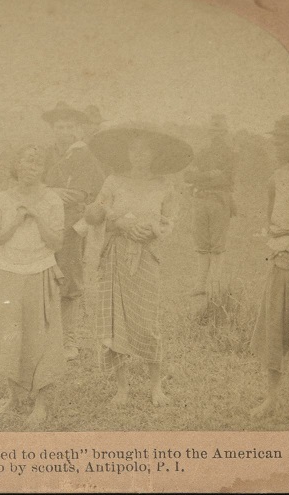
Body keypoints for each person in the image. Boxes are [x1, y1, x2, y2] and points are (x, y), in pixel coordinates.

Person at [86, 124, 192, 407]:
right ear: (128, 153)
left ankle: (156, 386)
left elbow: (169, 219)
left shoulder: (164, 185)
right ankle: (122, 389)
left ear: (154, 154)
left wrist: (153, 231)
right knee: (116, 320)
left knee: (146, 321)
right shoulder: (113, 181)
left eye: (145, 150)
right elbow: (96, 214)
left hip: (146, 256)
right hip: (116, 255)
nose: (139, 155)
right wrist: (117, 222)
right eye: (134, 149)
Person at [0, 144, 66, 426]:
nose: (31, 168)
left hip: (42, 271)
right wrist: (15, 222)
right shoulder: (1, 200)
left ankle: (41, 404)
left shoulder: (53, 200)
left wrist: (39, 216)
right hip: (10, 273)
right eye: (25, 161)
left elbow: (57, 243)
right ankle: (13, 397)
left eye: (37, 163)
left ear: (44, 169)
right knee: (11, 335)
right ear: (15, 166)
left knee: (42, 337)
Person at [41, 101, 105, 361]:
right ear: (52, 129)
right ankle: (46, 336)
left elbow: (82, 192)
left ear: (78, 129)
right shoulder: (44, 154)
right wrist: (52, 192)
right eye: (59, 126)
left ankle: (69, 340)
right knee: (42, 277)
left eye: (69, 126)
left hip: (71, 226)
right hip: (43, 224)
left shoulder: (84, 155)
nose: (64, 131)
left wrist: (54, 193)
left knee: (69, 281)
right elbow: (31, 184)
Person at [249, 115, 289, 418]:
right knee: (273, 332)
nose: (277, 146)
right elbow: (270, 222)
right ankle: (272, 398)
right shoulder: (277, 177)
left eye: (283, 140)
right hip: (281, 264)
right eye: (275, 140)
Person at [185, 114, 235, 298]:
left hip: (220, 200)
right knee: (202, 244)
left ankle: (215, 285)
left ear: (225, 132)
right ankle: (200, 285)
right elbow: (188, 176)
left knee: (217, 245)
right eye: (213, 131)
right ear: (209, 132)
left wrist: (201, 176)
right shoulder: (202, 153)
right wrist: (209, 175)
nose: (216, 135)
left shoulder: (231, 153)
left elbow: (225, 178)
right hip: (201, 199)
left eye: (220, 131)